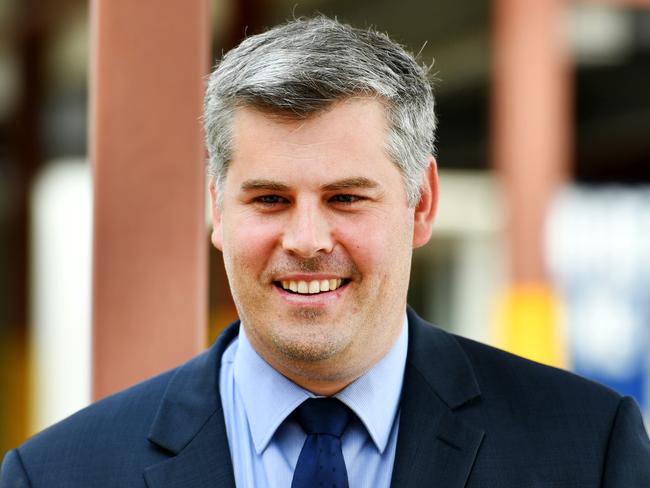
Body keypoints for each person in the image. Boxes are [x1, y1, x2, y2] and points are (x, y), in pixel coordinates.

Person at [2, 16, 649, 488]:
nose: (307, 241)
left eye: (344, 198)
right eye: (270, 200)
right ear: (216, 209)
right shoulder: (59, 474)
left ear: (421, 204)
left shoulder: (587, 451)